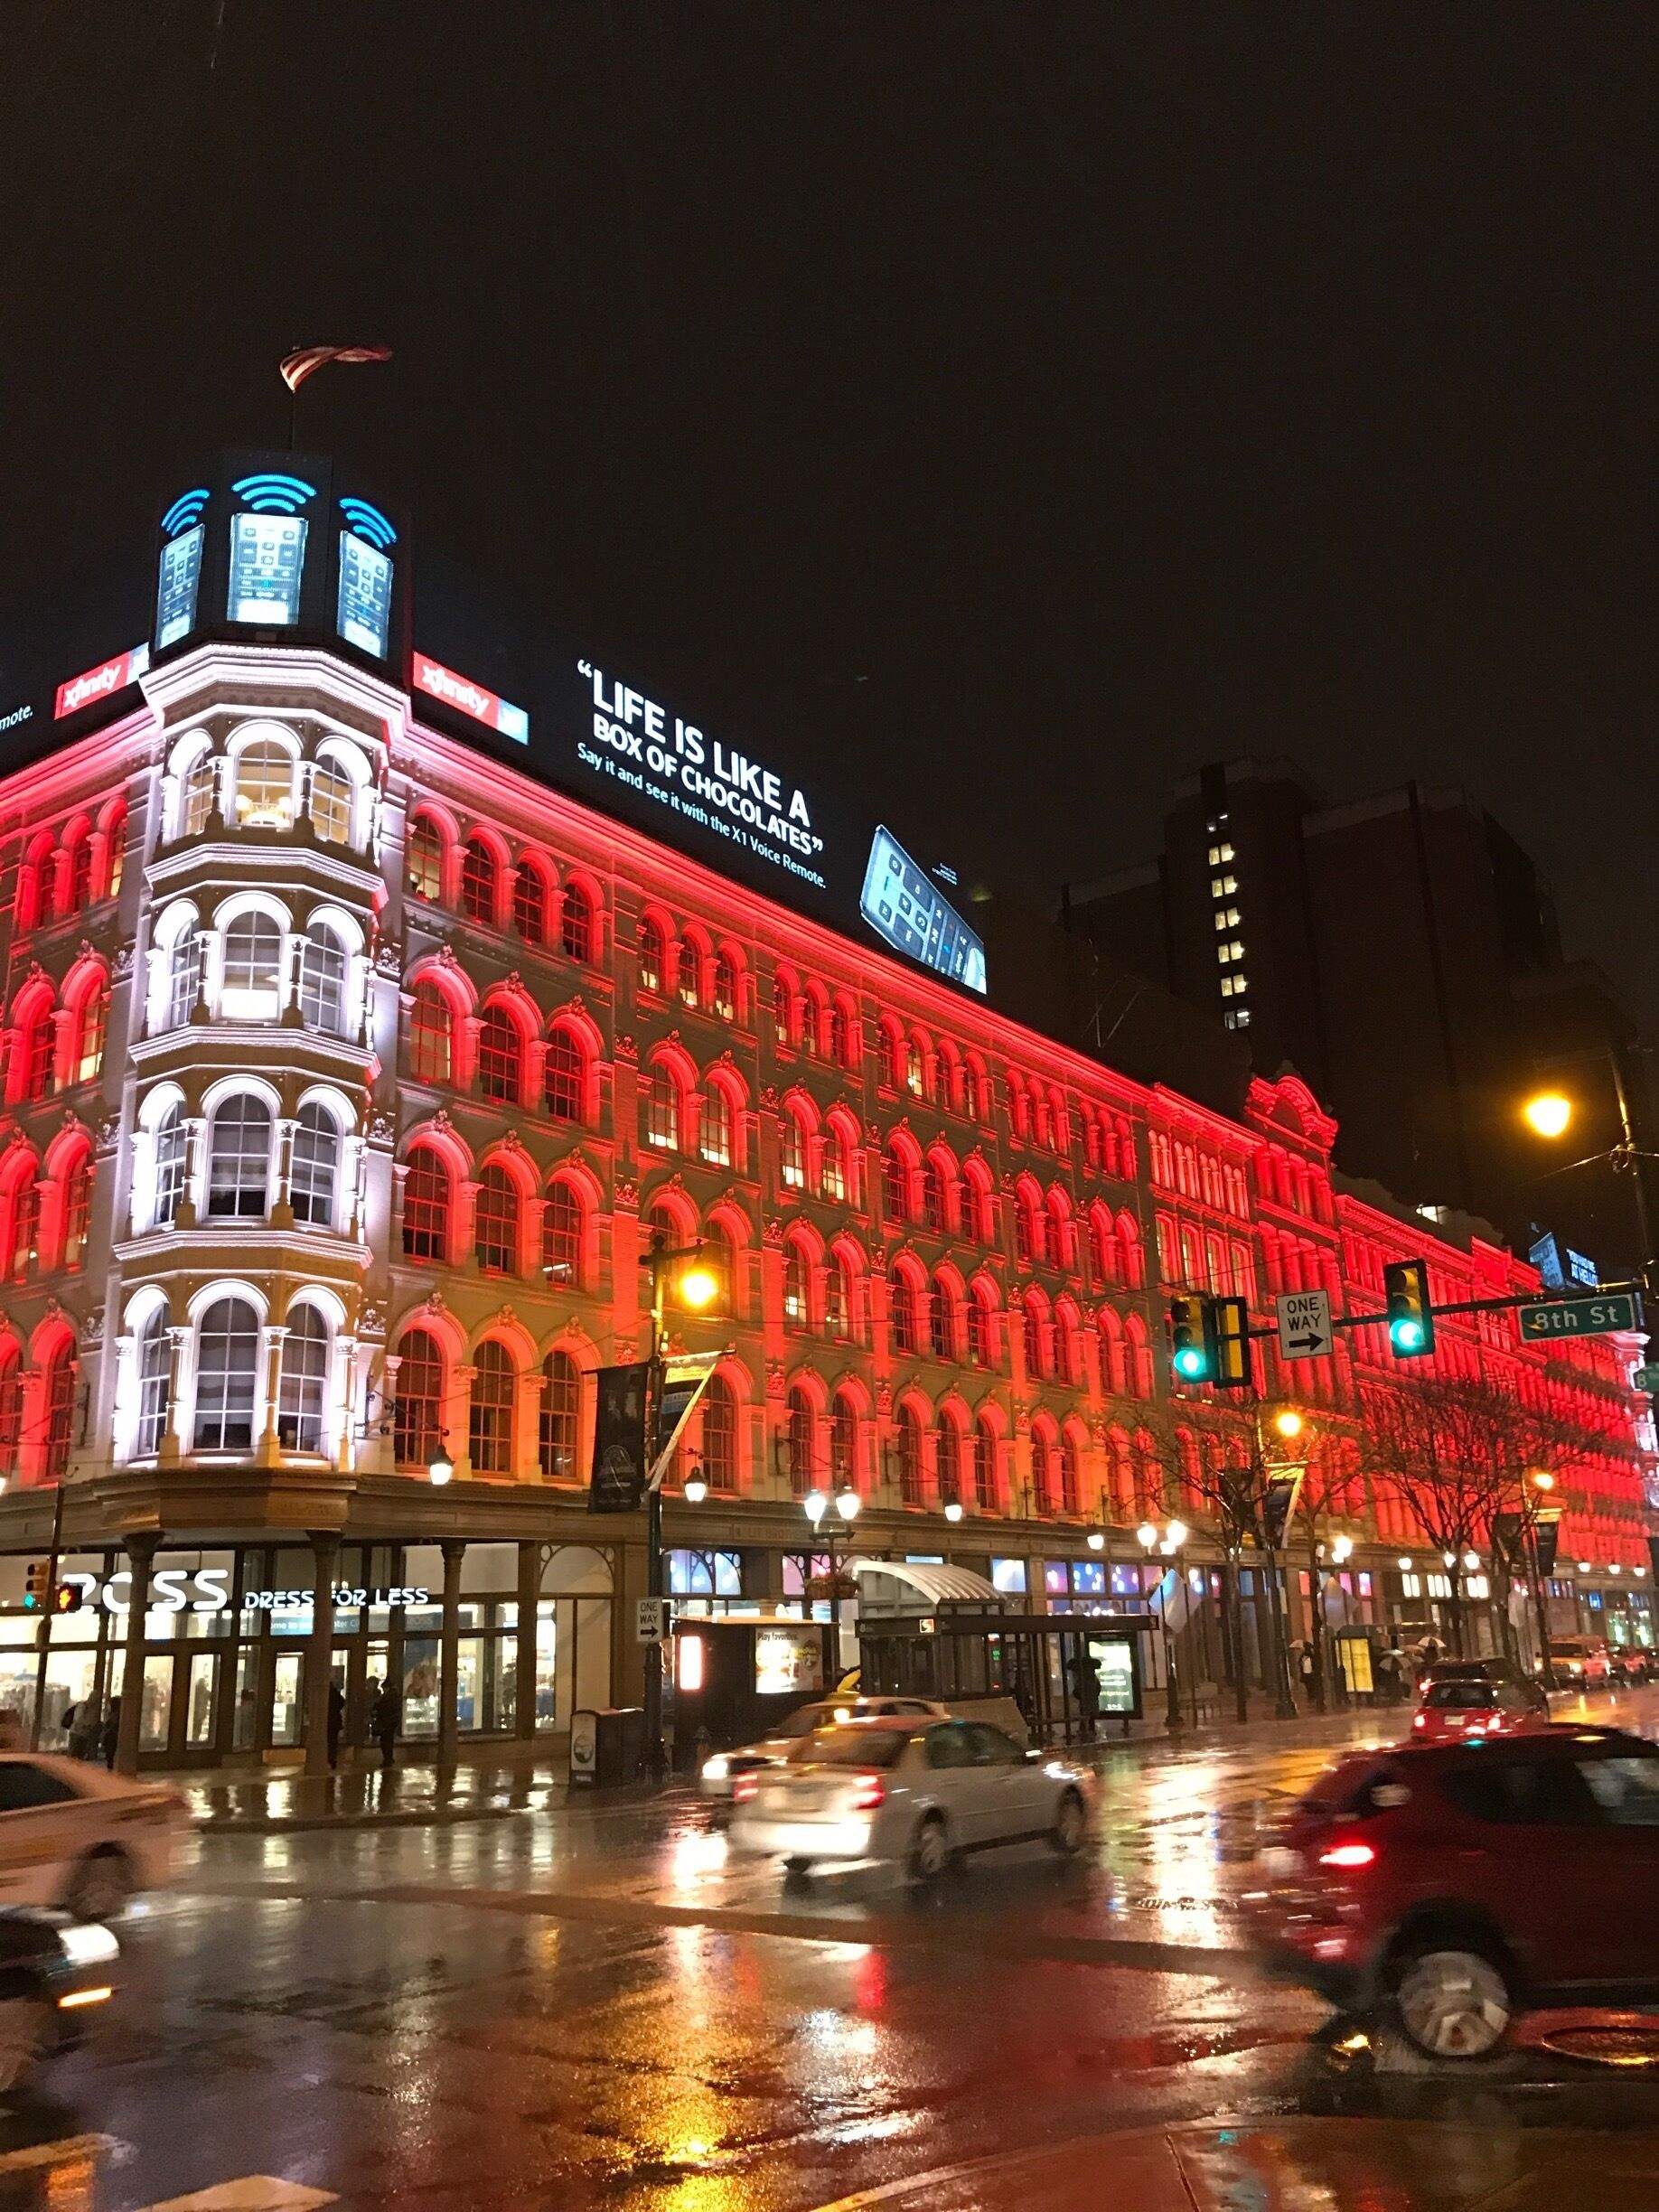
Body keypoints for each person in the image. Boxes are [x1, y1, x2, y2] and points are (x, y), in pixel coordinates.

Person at [369, 1678, 399, 1770]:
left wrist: (377, 1711)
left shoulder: (388, 1698)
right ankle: (389, 1758)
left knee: (386, 1741)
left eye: (384, 1688)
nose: (383, 1690)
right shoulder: (392, 1697)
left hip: (387, 1722)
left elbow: (383, 1709)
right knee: (388, 1740)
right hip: (390, 1722)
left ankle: (388, 1759)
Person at [67, 1697, 101, 1762]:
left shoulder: (92, 1709)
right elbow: (78, 1719)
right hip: (76, 1733)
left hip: (83, 1734)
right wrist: (88, 1723)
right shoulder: (82, 1706)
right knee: (73, 1755)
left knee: (80, 1755)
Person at [327, 1680, 346, 1770]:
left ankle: (329, 1759)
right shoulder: (336, 1694)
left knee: (329, 1741)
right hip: (335, 1722)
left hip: (329, 1722)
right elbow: (342, 1703)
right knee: (333, 1742)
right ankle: (332, 1760)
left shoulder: (327, 1695)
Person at [100, 1696, 121, 1769]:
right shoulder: (115, 1715)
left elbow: (111, 1727)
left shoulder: (114, 1716)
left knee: (110, 1756)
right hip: (110, 1738)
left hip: (111, 1738)